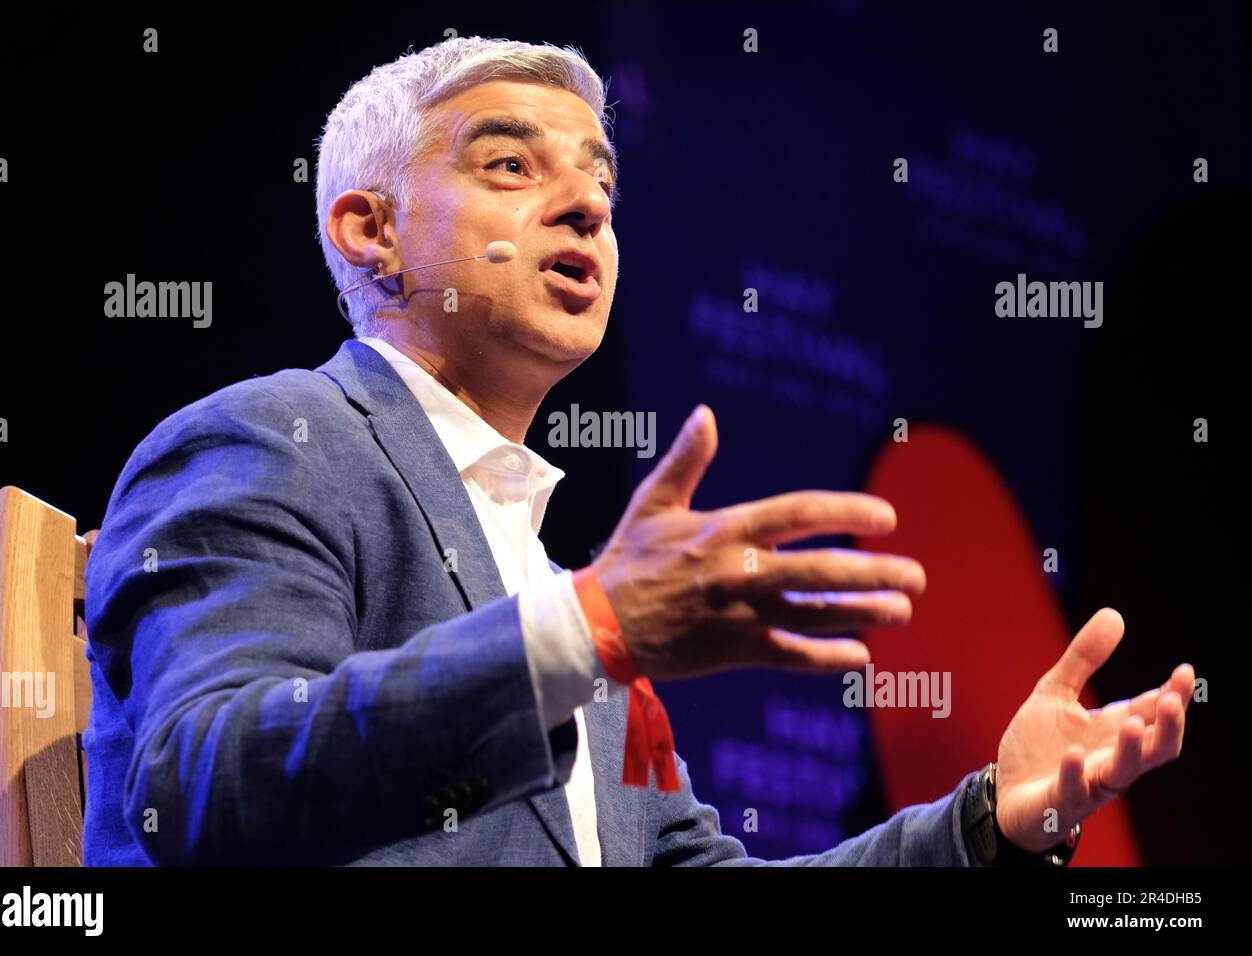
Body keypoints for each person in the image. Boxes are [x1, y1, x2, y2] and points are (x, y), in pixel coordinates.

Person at [81, 35, 1193, 866]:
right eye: (512, 166)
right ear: (368, 230)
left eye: (602, 182)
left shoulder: (558, 594)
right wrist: (587, 631)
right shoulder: (267, 441)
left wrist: (990, 817)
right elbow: (196, 789)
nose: (583, 204)